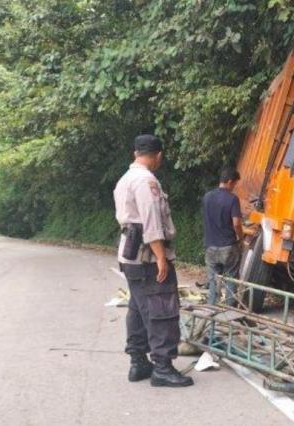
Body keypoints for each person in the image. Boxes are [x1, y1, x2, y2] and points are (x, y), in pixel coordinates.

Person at [113, 133, 193, 387]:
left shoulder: (124, 180)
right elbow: (151, 223)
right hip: (148, 256)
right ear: (158, 155)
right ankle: (162, 367)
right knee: (162, 310)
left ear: (135, 153)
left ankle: (138, 362)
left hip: (130, 255)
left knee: (137, 308)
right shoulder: (147, 181)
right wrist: (161, 258)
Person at [201, 168, 243, 305]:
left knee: (213, 280)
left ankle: (212, 309)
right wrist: (241, 238)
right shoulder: (233, 199)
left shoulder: (207, 197)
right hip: (228, 247)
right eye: (234, 184)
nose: (234, 188)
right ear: (230, 182)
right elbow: (236, 223)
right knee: (231, 279)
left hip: (210, 246)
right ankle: (229, 311)